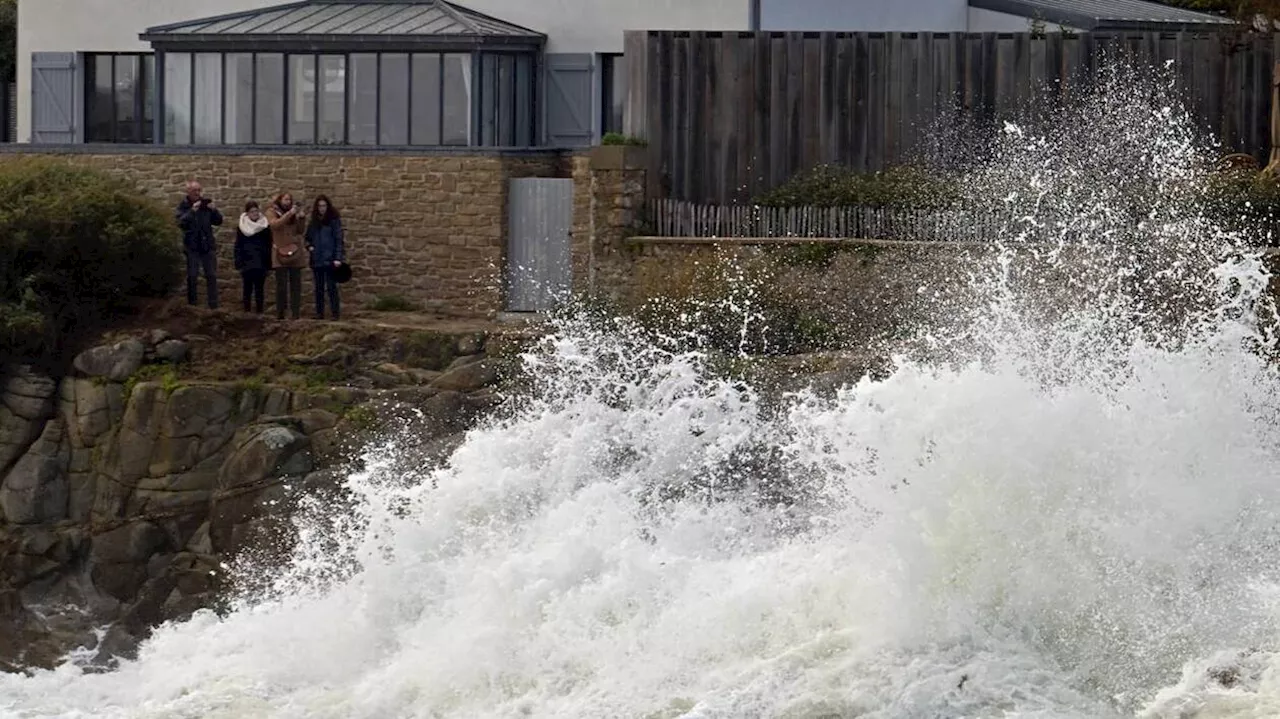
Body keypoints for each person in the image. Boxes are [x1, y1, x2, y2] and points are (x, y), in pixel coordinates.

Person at [175, 180, 224, 309]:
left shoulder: (205, 205)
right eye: (194, 191)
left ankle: (213, 306)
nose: (197, 193)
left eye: (199, 190)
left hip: (207, 245)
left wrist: (214, 210)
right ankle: (192, 305)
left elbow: (218, 221)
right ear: (188, 192)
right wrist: (192, 211)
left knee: (211, 275)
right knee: (192, 275)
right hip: (192, 246)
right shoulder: (183, 205)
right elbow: (180, 223)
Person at [266, 192, 307, 320]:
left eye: (289, 199)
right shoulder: (271, 212)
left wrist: (301, 218)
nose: (288, 202)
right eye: (285, 199)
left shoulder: (293, 213)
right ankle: (280, 314)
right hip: (279, 252)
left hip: (295, 252)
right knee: (281, 286)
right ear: (280, 200)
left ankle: (295, 313)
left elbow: (300, 231)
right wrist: (289, 214)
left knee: (296, 285)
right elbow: (275, 225)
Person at [306, 195, 346, 321]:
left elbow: (339, 240)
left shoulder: (334, 221)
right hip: (317, 259)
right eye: (319, 206)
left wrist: (338, 258)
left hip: (330, 259)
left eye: (324, 206)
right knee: (318, 288)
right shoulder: (313, 222)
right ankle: (319, 313)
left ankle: (335, 313)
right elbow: (307, 238)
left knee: (331, 287)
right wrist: (310, 247)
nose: (321, 208)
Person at [234, 201, 273, 314]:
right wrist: (238, 262)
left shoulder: (264, 226)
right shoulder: (242, 227)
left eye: (256, 211)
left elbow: (268, 244)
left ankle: (259, 313)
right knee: (247, 289)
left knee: (259, 289)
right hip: (247, 262)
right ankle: (247, 312)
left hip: (261, 262)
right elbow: (238, 245)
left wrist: (268, 263)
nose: (255, 213)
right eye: (252, 211)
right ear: (247, 213)